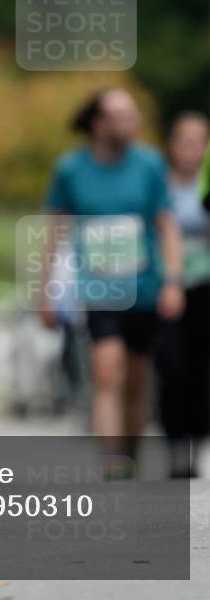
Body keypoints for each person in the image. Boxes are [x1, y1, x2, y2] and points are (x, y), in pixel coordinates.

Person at [39, 88, 185, 469]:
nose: (130, 124)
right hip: (99, 289)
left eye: (132, 116)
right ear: (99, 124)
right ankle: (112, 461)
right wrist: (46, 292)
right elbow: (54, 233)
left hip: (145, 287)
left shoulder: (150, 165)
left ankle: (129, 454)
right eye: (121, 116)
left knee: (136, 380)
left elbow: (167, 226)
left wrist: (173, 280)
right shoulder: (71, 170)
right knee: (107, 370)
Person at [155, 112, 210, 476]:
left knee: (202, 371)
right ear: (173, 146)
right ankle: (175, 444)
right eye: (185, 141)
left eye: (199, 142)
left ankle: (196, 445)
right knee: (172, 369)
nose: (191, 149)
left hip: (206, 289)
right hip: (168, 289)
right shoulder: (160, 187)